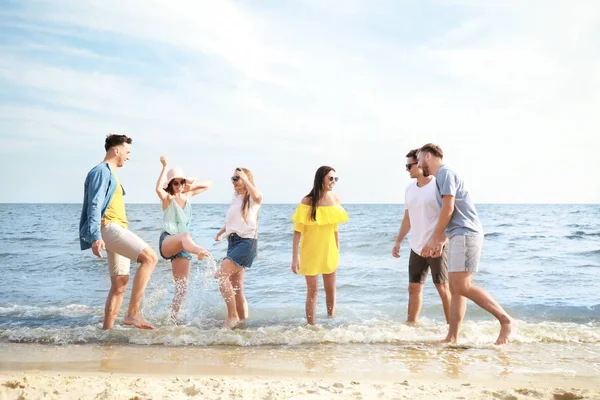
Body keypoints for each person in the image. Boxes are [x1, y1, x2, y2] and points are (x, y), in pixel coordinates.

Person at [417, 143, 513, 345]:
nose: (418, 165)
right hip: (458, 234)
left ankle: (505, 321)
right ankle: (452, 337)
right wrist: (441, 239)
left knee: (462, 285)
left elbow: (448, 208)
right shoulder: (441, 178)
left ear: (427, 156)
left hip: (466, 233)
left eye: (418, 160)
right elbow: (453, 213)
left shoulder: (444, 173)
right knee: (455, 288)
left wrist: (435, 237)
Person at [79, 134, 157, 330]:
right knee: (150, 258)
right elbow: (94, 204)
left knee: (120, 284)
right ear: (116, 150)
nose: (128, 157)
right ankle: (133, 314)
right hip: (109, 227)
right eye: (127, 152)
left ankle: (107, 332)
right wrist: (95, 236)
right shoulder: (101, 171)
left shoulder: (112, 173)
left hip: (117, 227)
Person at [392, 149, 451, 324]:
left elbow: (448, 214)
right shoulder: (409, 189)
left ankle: (452, 327)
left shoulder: (437, 185)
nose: (407, 169)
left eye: (409, 165)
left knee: (442, 287)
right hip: (416, 246)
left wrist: (440, 240)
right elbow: (408, 217)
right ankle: (412, 326)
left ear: (419, 164)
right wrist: (398, 241)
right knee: (414, 287)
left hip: (436, 245)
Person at [155, 156, 212, 321]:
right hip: (168, 240)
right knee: (186, 235)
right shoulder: (168, 199)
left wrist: (189, 183)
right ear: (170, 185)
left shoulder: (188, 195)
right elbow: (158, 189)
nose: (179, 186)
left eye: (181, 182)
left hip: (184, 246)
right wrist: (165, 167)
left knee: (182, 288)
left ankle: (173, 318)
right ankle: (199, 251)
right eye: (175, 183)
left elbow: (209, 184)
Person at [291, 166, 349, 325]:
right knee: (313, 291)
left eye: (335, 179)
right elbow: (298, 230)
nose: (333, 182)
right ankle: (311, 326)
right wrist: (294, 257)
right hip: (310, 252)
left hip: (329, 250)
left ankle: (331, 321)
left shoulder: (336, 199)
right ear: (321, 178)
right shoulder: (308, 201)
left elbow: (335, 228)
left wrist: (337, 250)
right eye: (331, 178)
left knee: (330, 290)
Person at [214, 168, 262, 328]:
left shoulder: (252, 198)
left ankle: (232, 316)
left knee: (221, 275)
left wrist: (246, 180)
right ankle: (242, 323)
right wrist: (222, 232)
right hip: (233, 242)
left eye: (237, 178)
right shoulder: (236, 198)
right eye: (233, 178)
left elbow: (258, 196)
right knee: (237, 286)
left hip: (247, 242)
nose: (234, 181)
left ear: (245, 179)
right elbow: (233, 221)